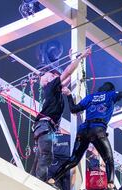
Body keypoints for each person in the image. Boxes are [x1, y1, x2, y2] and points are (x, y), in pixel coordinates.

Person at [47, 73, 122, 190]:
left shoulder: (90, 97)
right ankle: (110, 186)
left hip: (83, 130)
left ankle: (52, 179)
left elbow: (73, 109)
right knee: (108, 159)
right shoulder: (111, 95)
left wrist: (69, 95)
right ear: (111, 90)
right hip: (98, 130)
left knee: (73, 160)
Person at [31, 41, 91, 182]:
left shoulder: (54, 90)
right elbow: (67, 73)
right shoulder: (50, 86)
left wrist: (73, 59)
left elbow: (68, 78)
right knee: (46, 155)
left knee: (43, 155)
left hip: (46, 127)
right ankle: (41, 182)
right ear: (45, 80)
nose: (53, 75)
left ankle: (35, 179)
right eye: (50, 75)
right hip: (45, 126)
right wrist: (80, 57)